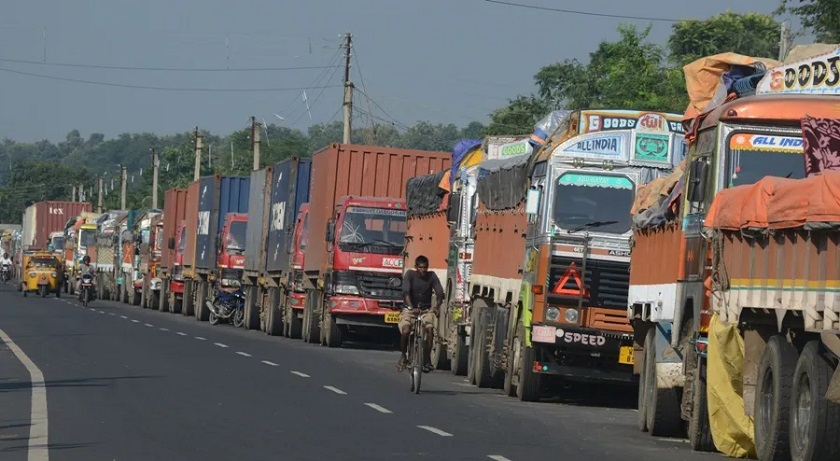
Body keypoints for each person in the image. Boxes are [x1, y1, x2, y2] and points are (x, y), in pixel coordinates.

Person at [397, 255, 444, 373]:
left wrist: (435, 307)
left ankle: (427, 360)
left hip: (425, 310)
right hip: (410, 310)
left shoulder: (432, 276)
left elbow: (440, 294)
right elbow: (406, 292)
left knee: (430, 329)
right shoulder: (409, 275)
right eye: (420, 267)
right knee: (406, 330)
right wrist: (411, 307)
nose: (423, 270)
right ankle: (403, 356)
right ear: (416, 267)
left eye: (425, 268)